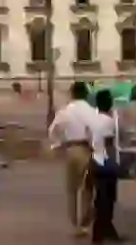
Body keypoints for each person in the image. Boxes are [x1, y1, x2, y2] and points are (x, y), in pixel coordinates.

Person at [49, 81, 97, 239]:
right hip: (86, 149)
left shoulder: (65, 111)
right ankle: (84, 222)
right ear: (85, 94)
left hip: (70, 149)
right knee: (87, 188)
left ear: (72, 94)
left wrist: (57, 144)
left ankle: (75, 224)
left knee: (72, 189)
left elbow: (53, 130)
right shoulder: (91, 111)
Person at [89, 88, 125, 243]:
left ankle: (106, 230)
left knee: (101, 197)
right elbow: (109, 145)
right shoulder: (108, 122)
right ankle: (99, 232)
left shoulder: (92, 120)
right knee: (108, 199)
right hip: (106, 162)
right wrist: (116, 165)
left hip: (95, 160)